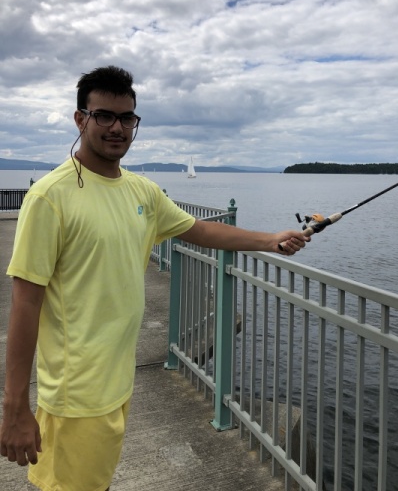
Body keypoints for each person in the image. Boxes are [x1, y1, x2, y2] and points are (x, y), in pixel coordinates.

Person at [0, 65, 310, 491]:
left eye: (127, 117)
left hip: (118, 381)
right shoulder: (49, 197)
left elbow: (199, 230)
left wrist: (270, 240)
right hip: (77, 394)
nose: (117, 128)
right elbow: (25, 303)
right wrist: (15, 407)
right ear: (80, 119)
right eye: (104, 115)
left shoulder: (141, 191)